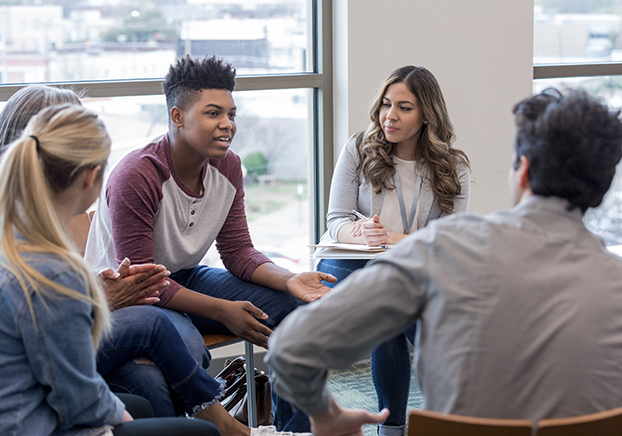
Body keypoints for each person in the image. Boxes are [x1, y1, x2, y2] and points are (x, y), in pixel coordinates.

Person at [266, 87, 622, 436]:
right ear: (602, 187)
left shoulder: (443, 247)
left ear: (523, 170)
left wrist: (326, 415)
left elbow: (290, 351)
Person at [84, 54, 334, 433]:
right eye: (214, 113)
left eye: (231, 114)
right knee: (186, 349)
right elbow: (143, 283)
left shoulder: (228, 166)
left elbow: (237, 251)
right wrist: (222, 310)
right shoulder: (137, 175)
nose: (227, 125)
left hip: (185, 276)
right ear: (177, 116)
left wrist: (289, 280)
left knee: (297, 311)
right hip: (129, 296)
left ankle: (293, 430)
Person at [0, 85, 263, 436]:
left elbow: (54, 309)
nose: (226, 124)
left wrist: (100, 293)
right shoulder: (38, 244)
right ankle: (219, 424)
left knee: (156, 355)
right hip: (38, 393)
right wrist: (100, 300)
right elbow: (58, 357)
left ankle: (216, 423)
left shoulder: (44, 219)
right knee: (155, 357)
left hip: (71, 336)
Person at [317, 65, 470, 436]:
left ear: (427, 115)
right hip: (351, 263)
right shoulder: (358, 148)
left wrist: (394, 242)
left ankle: (401, 427)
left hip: (409, 268)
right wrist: (360, 233)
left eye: (404, 107)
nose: (390, 115)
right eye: (386, 104)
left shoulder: (454, 166)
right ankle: (408, 425)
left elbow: (447, 240)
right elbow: (335, 220)